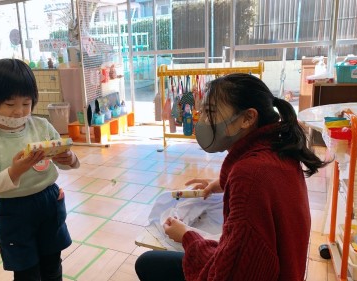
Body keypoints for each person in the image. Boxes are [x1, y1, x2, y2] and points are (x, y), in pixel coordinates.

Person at [135, 73, 329, 281]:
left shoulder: (249, 175)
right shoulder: (280, 149)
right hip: (288, 269)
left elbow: (228, 275)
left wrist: (186, 236)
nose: (204, 122)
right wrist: (223, 183)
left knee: (148, 263)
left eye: (211, 113)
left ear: (247, 118)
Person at [0, 58, 80, 281]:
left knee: (52, 263)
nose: (19, 112)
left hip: (49, 202)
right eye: (10, 104)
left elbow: (64, 162)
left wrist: (69, 157)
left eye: (26, 103)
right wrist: (14, 172)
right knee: (26, 271)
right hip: (14, 210)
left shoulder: (41, 126)